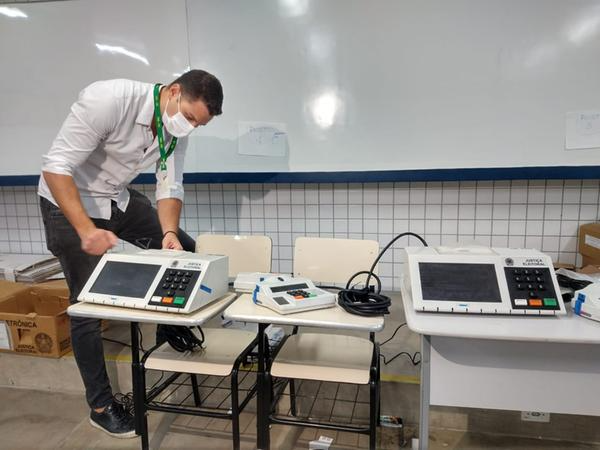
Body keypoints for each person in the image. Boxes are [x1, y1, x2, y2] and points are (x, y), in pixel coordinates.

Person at [38, 70, 223, 438]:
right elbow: (56, 167)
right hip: (69, 203)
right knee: (86, 307)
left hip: (116, 199)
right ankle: (101, 406)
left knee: (184, 249)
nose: (189, 127)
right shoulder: (108, 100)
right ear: (173, 92)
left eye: (198, 125)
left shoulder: (175, 130)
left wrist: (168, 232)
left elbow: (170, 184)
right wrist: (86, 230)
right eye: (188, 117)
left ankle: (169, 330)